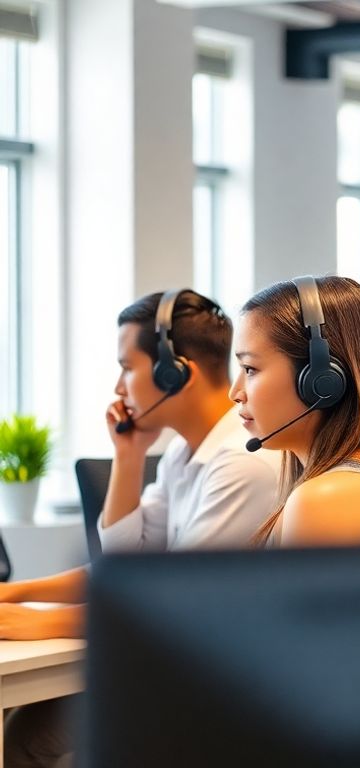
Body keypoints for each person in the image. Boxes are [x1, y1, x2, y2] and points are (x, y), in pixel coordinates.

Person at [1, 289, 280, 768]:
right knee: (22, 720)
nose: (118, 388)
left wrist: (35, 622)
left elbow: (169, 606)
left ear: (176, 373)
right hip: (178, 665)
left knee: (25, 735)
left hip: (217, 685)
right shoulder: (182, 455)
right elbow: (125, 567)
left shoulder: (242, 463)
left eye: (126, 367)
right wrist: (129, 455)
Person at [230, 275, 360, 546]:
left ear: (321, 380)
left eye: (250, 369)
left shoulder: (327, 498)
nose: (234, 392)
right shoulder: (349, 485)